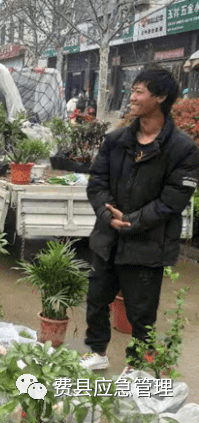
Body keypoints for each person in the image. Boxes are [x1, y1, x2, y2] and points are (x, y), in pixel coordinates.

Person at [81, 68, 199, 374]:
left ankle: (135, 368)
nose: (131, 97)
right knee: (96, 301)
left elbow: (173, 200)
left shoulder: (183, 149)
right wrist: (108, 214)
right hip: (108, 238)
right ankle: (97, 351)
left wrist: (132, 221)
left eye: (138, 92)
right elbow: (96, 182)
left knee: (141, 311)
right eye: (132, 91)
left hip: (148, 245)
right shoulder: (117, 139)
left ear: (160, 98)